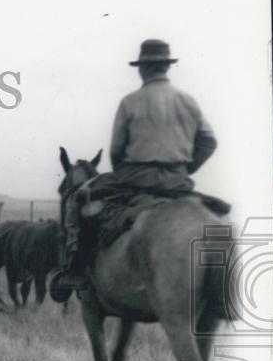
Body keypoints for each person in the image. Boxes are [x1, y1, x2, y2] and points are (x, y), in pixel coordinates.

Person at [55, 39, 218, 291]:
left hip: (136, 177)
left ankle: (76, 271)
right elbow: (209, 141)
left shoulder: (130, 102)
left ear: (142, 68)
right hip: (178, 181)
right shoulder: (188, 101)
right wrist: (186, 168)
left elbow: (116, 150)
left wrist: (124, 174)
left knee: (81, 200)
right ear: (166, 66)